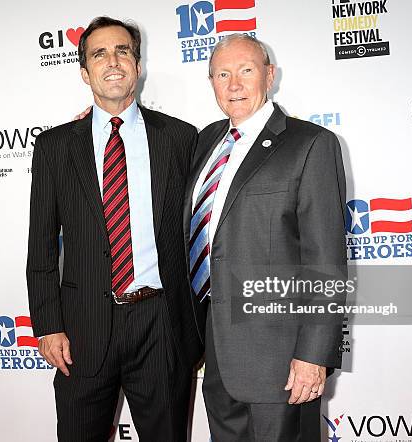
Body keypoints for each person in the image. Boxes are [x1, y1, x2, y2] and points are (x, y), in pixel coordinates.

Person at [26, 16, 202, 442]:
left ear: (137, 66)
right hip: (82, 329)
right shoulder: (54, 147)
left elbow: (200, 236)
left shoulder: (181, 138)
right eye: (99, 53)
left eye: (123, 51)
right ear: (85, 72)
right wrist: (48, 326)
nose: (113, 61)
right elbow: (42, 247)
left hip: (161, 324)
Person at [184, 34, 347, 441]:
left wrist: (313, 355)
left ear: (270, 76)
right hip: (217, 357)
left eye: (246, 70)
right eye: (222, 74)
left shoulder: (310, 144)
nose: (234, 84)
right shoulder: (204, 142)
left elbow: (325, 260)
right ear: (211, 82)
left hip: (282, 365)